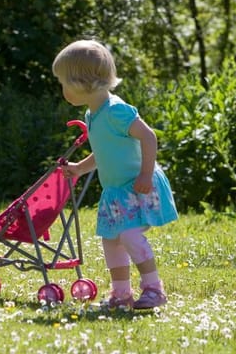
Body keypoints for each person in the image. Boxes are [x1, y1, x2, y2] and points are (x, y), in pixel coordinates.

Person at [53, 40, 178, 310]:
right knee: (111, 240)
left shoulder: (116, 110)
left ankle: (154, 289)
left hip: (137, 186)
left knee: (130, 236)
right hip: (115, 192)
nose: (62, 89)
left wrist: (145, 174)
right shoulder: (93, 114)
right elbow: (104, 153)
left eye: (64, 82)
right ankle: (121, 294)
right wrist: (78, 168)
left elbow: (148, 137)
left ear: (81, 81)